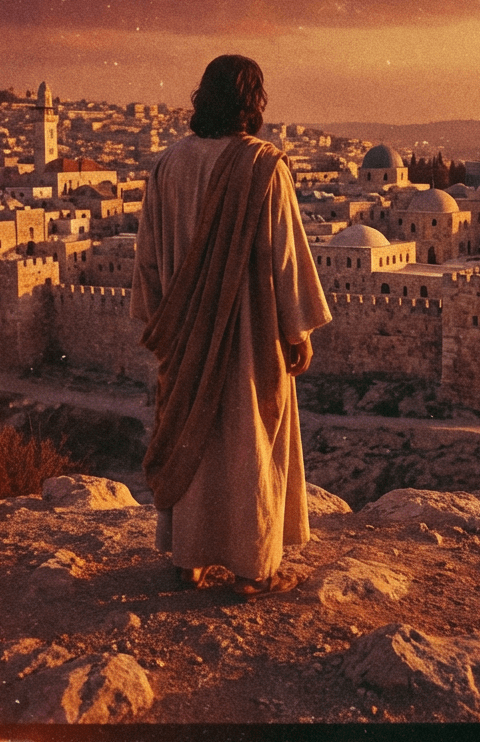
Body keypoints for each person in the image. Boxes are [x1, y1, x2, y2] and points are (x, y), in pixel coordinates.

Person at [130, 55, 331, 595]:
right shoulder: (263, 165)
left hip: (185, 337)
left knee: (192, 437)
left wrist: (164, 326)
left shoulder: (167, 164)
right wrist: (299, 331)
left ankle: (188, 559)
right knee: (249, 441)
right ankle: (251, 568)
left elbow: (147, 258)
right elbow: (284, 255)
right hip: (249, 338)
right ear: (254, 101)